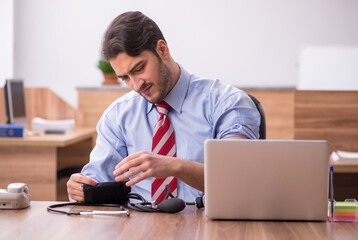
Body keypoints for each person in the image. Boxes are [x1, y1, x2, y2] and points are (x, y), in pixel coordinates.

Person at [67, 11, 260, 203]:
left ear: (162, 49)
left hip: (206, 227)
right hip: (137, 227)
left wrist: (175, 167)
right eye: (125, 77)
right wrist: (81, 188)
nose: (136, 85)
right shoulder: (117, 116)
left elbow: (238, 179)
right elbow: (96, 180)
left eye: (139, 68)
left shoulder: (227, 103)